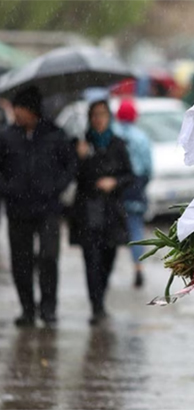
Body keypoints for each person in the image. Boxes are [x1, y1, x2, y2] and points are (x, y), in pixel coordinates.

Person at [0, 85, 76, 326]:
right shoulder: (7, 136)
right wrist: (8, 189)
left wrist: (56, 187)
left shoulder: (54, 134)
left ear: (32, 110)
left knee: (48, 257)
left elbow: (70, 165)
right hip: (17, 209)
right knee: (20, 261)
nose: (15, 114)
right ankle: (27, 309)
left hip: (48, 210)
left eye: (19, 109)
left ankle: (48, 308)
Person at [70, 100, 133, 324]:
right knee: (91, 259)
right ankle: (96, 306)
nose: (98, 119)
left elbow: (130, 175)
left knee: (108, 257)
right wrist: (79, 156)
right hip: (87, 212)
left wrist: (114, 181)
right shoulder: (81, 143)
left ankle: (101, 297)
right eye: (95, 115)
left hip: (111, 212)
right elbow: (71, 176)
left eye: (103, 114)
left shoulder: (117, 144)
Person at [113, 99, 152, 288]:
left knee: (111, 229)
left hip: (116, 186)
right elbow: (148, 167)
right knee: (136, 229)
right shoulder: (141, 137)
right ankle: (138, 268)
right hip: (135, 186)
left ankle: (107, 271)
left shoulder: (113, 134)